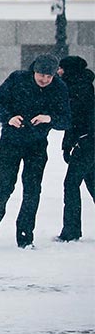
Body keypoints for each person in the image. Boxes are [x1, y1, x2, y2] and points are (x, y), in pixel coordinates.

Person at [0, 54, 71, 248]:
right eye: (41, 75)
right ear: (34, 71)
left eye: (49, 76)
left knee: (32, 190)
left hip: (37, 145)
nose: (44, 80)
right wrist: (9, 118)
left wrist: (49, 118)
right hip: (11, 141)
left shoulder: (59, 88)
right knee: (5, 186)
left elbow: (66, 119)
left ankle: (25, 236)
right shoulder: (17, 79)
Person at [57, 55, 94, 242]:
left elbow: (74, 121)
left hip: (86, 143)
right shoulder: (83, 85)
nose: (59, 71)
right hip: (86, 142)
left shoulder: (76, 88)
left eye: (62, 68)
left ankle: (71, 231)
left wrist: (72, 144)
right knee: (91, 183)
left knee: (71, 184)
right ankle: (71, 230)